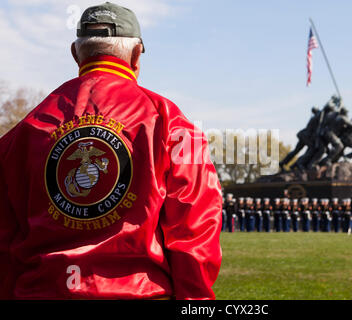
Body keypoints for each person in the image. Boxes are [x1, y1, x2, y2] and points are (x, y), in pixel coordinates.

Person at [0, 2, 222, 300]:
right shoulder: (173, 123)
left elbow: (4, 239)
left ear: (75, 53)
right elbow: (195, 231)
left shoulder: (22, 133)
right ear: (136, 54)